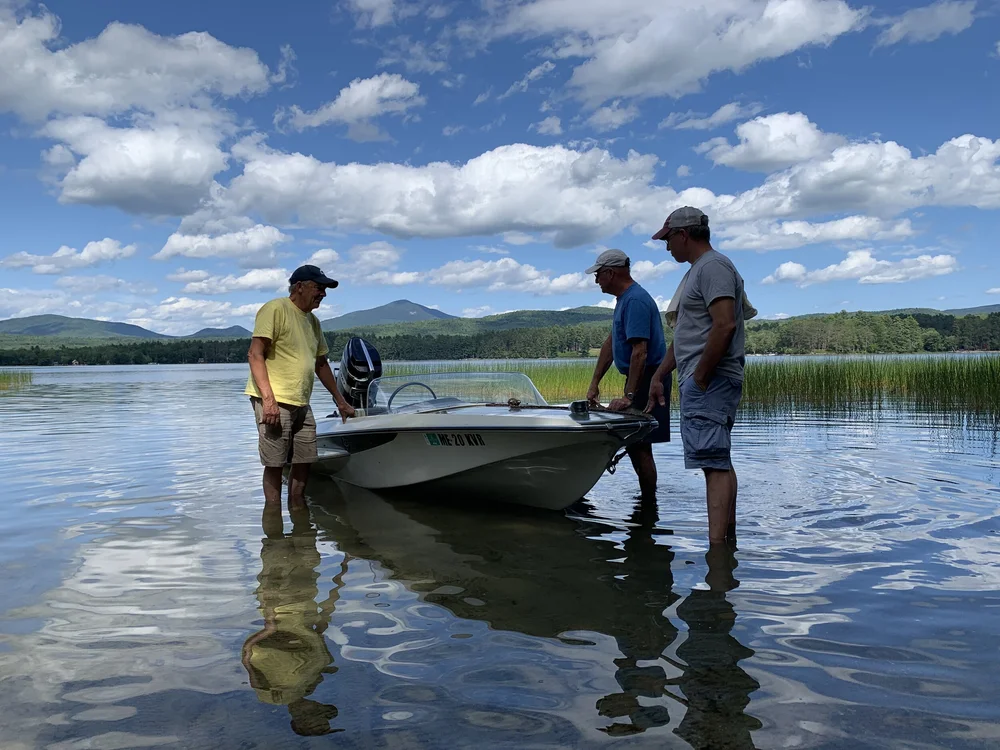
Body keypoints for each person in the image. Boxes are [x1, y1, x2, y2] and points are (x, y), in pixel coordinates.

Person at [646, 207, 746, 545]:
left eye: (667, 240)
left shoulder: (713, 267)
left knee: (714, 464)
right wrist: (660, 374)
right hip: (704, 379)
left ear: (683, 235)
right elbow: (689, 334)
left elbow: (725, 325)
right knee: (717, 460)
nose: (666, 247)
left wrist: (700, 377)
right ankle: (726, 542)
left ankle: (716, 553)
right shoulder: (700, 271)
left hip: (711, 381)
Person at [246, 265, 356, 517]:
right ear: (299, 287)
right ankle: (273, 521)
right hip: (274, 401)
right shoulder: (276, 309)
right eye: (319, 288)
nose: (323, 294)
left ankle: (300, 518)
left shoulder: (313, 322)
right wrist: (269, 401)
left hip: (301, 403)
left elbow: (321, 364)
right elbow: (255, 354)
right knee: (275, 463)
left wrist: (340, 401)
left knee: (306, 459)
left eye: (325, 289)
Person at [585, 248, 670, 496]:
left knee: (640, 444)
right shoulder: (624, 300)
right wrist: (594, 383)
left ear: (611, 273)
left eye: (598, 274)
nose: (596, 280)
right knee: (635, 444)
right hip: (641, 378)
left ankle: (649, 504)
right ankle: (647, 500)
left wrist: (629, 396)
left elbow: (640, 352)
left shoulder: (635, 300)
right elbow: (611, 343)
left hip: (650, 378)